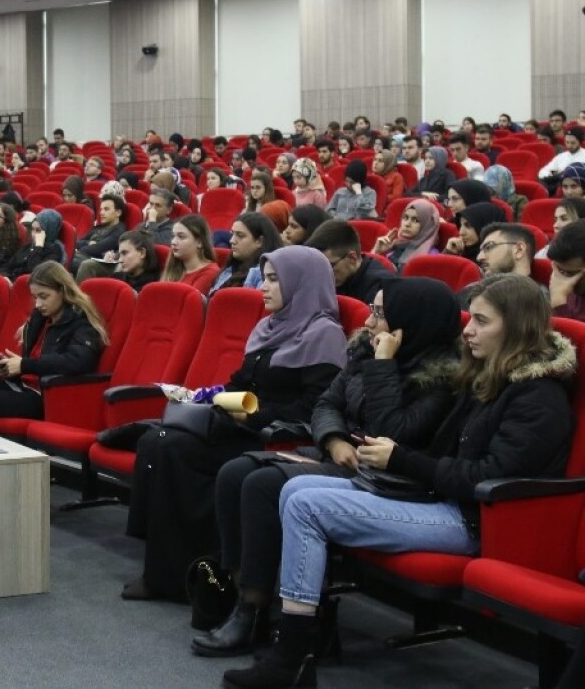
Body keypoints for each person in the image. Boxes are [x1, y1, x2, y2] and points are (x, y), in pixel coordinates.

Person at [228, 275, 574, 689]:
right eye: (471, 319)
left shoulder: (538, 398)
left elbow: (485, 477)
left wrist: (403, 459)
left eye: (482, 321)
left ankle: (292, 657)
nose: (468, 329)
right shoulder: (485, 375)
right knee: (294, 488)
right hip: (440, 499)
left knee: (305, 504)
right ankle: (298, 642)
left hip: (476, 521)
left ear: (517, 328)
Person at [196, 278, 460, 658]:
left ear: (412, 323)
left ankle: (253, 609)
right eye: (371, 310)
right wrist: (333, 439)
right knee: (233, 473)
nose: (369, 322)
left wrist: (384, 365)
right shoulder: (364, 352)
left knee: (261, 485)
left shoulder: (442, 378)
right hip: (341, 458)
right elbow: (325, 404)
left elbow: (393, 430)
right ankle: (243, 597)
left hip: (386, 480)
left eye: (381, 314)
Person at [122, 246, 346, 602]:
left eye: (275, 280)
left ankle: (194, 573)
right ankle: (168, 570)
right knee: (158, 440)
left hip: (274, 440)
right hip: (238, 424)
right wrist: (206, 396)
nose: (264, 287)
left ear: (301, 284)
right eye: (266, 278)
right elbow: (240, 383)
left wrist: (251, 413)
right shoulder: (269, 327)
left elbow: (312, 407)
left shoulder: (323, 334)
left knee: (170, 445)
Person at [0, 261, 106, 429]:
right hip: (22, 385)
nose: (37, 304)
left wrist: (24, 364)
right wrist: (10, 366)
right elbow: (31, 362)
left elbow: (77, 362)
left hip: (44, 396)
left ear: (63, 291)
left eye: (44, 297)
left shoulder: (82, 323)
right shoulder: (40, 318)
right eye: (35, 297)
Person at [306, 220, 397, 305]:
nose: (323, 274)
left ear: (352, 258)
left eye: (329, 266)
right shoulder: (335, 278)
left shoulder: (380, 288)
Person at [209, 213, 281, 294]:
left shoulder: (263, 274)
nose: (231, 240)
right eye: (232, 234)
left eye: (240, 236)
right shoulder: (230, 267)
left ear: (259, 241)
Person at [373, 199, 440, 272]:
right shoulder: (393, 247)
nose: (407, 224)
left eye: (416, 220)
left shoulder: (431, 256)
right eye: (405, 218)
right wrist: (376, 252)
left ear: (427, 225)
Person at [0, 209, 66, 279]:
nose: (33, 234)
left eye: (38, 230)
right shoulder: (28, 246)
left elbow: (35, 272)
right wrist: (5, 277)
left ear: (49, 230)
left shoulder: (54, 250)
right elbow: (6, 266)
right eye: (33, 229)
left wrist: (38, 246)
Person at [160, 215, 220, 295]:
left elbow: (189, 301)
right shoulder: (174, 267)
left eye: (181, 237)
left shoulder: (210, 272)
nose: (173, 242)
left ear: (199, 242)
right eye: (173, 236)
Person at [71, 193, 127, 275]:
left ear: (118, 212)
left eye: (106, 209)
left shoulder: (119, 231)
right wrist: (88, 243)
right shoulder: (98, 227)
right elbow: (76, 242)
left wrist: (77, 250)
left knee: (66, 258)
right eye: (101, 209)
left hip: (97, 263)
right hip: (82, 256)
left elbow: (98, 248)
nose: (101, 213)